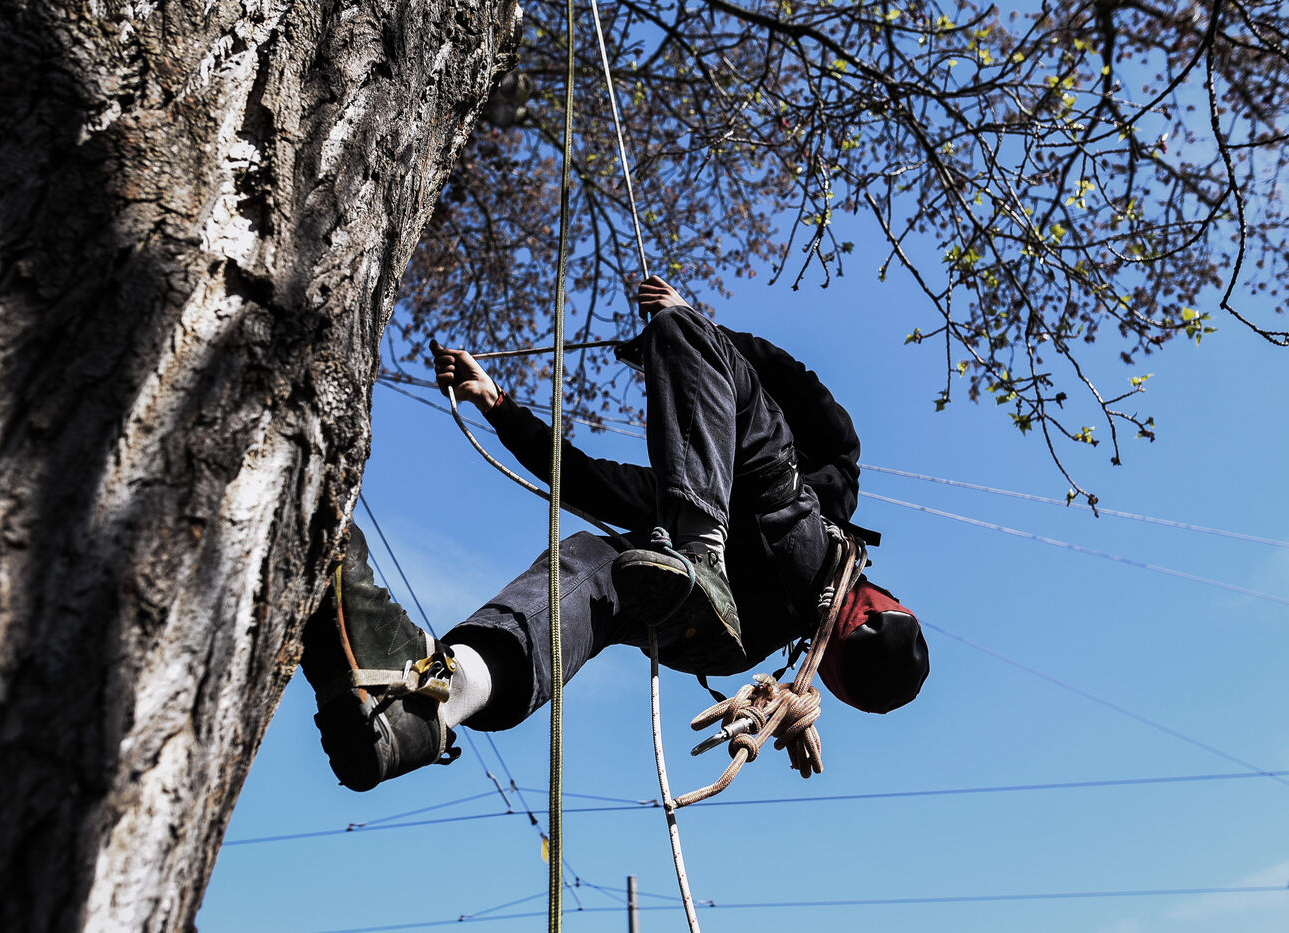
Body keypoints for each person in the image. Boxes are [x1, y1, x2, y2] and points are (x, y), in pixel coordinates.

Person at [299, 277, 929, 791]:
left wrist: (691, 326)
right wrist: (500, 407)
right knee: (597, 571)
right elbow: (591, 482)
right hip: (724, 640)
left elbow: (792, 384)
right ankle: (432, 702)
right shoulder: (682, 496)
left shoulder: (827, 488)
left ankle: (703, 556)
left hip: (769, 556)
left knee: (685, 345)